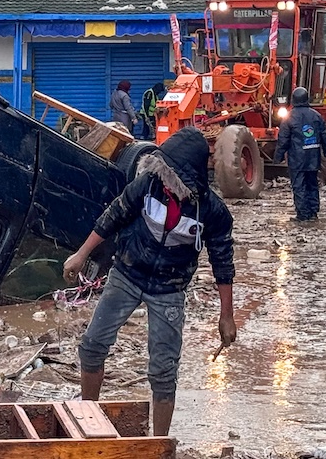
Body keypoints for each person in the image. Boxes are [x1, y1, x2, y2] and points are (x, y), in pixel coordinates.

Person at [64, 126, 236, 437]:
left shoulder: (212, 212)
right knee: (91, 347)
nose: (165, 182)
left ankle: (159, 443)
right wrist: (80, 254)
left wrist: (226, 315)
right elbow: (113, 215)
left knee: (163, 371)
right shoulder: (147, 185)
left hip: (169, 290)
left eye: (171, 176)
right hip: (128, 273)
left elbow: (222, 263)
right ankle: (88, 416)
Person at [275, 87, 326, 221]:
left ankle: (302, 214)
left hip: (297, 159)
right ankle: (313, 212)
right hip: (313, 157)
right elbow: (325, 136)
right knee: (312, 184)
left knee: (299, 186)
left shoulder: (289, 117)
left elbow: (283, 140)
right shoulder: (316, 115)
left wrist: (277, 157)